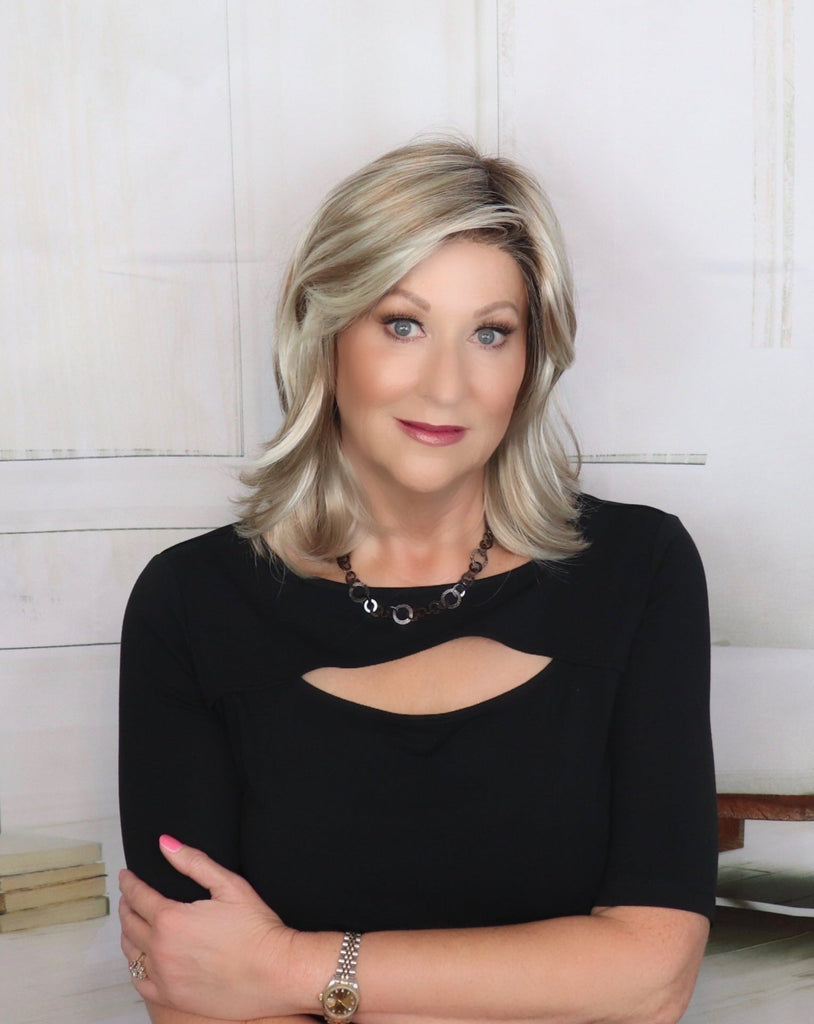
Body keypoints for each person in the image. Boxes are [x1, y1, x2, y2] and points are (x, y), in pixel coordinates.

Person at [118, 137, 718, 1024]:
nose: (446, 386)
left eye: (490, 333)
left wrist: (288, 965)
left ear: (530, 360)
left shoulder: (639, 569)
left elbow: (653, 978)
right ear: (324, 334)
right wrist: (548, 982)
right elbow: (192, 987)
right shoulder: (191, 602)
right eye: (402, 324)